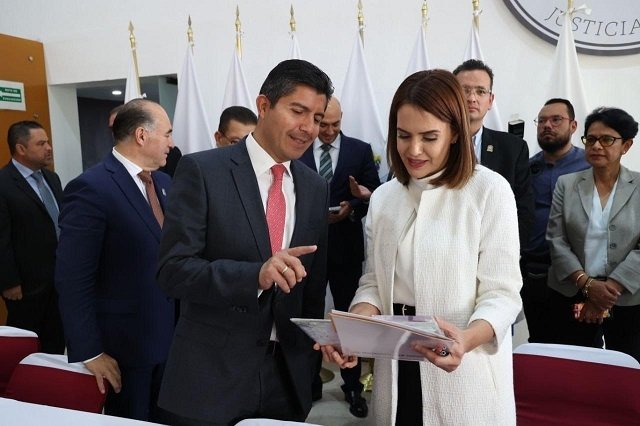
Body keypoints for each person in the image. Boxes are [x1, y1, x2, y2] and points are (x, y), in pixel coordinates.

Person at [318, 70, 522, 425]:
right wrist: (355, 329)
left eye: (429, 137)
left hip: (463, 366)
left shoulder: (489, 191)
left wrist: (466, 339)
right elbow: (374, 282)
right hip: (396, 363)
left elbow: (502, 294)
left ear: (455, 133)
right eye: (403, 136)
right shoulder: (385, 198)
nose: (413, 150)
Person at [156, 59, 333, 425]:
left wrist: (326, 341)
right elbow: (173, 271)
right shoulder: (203, 171)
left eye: (317, 117)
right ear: (264, 105)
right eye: (298, 111)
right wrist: (255, 276)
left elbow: (312, 289)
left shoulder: (316, 187)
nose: (308, 128)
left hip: (287, 379)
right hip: (211, 376)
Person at [55, 99, 175, 421]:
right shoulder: (91, 188)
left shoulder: (164, 183)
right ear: (141, 135)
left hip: (169, 339)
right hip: (124, 348)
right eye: (167, 134)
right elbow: (73, 277)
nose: (171, 143)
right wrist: (90, 351)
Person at [300, 96, 380, 418]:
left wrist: (354, 205)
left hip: (346, 247)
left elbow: (375, 193)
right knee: (308, 314)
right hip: (308, 248)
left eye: (336, 124)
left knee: (350, 317)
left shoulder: (359, 150)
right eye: (324, 124)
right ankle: (309, 381)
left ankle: (353, 386)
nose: (330, 131)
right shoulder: (299, 147)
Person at [546, 107, 640, 361]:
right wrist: (588, 285)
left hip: (627, 296)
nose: (597, 146)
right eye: (591, 139)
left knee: (628, 366)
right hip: (572, 290)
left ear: (626, 145)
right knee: (574, 367)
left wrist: (609, 289)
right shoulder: (567, 184)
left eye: (607, 139)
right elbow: (556, 239)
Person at [521, 98, 590, 342]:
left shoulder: (590, 165)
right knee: (540, 342)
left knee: (584, 344)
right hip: (536, 272)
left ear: (573, 125)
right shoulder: (526, 168)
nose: (547, 125)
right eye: (541, 121)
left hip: (580, 274)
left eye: (556, 120)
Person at [453, 59, 534, 250]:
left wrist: (502, 253)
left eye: (481, 91)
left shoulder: (513, 148)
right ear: (452, 96)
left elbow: (524, 212)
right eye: (465, 90)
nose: (472, 98)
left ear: (490, 100)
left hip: (498, 251)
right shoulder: (434, 144)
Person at [0, 121, 65, 354]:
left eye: (48, 142)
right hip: (25, 286)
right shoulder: (3, 183)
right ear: (21, 149)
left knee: (56, 340)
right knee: (25, 346)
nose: (49, 147)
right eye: (41, 143)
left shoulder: (52, 178)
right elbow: (1, 239)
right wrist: (9, 282)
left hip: (59, 279)